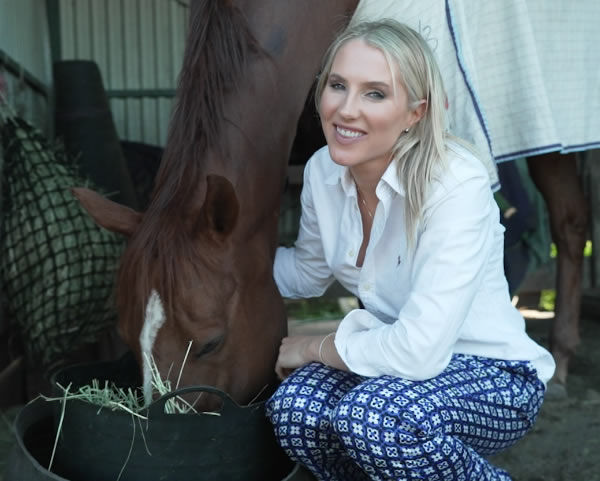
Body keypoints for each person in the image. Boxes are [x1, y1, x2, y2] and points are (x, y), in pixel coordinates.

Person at [266, 19, 555, 481]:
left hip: (495, 375)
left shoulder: (455, 182)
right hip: (394, 370)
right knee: (295, 409)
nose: (346, 110)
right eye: (337, 85)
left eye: (375, 93)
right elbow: (306, 272)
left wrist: (314, 347)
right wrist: (215, 261)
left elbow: (418, 352)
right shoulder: (323, 171)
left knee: (375, 418)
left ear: (415, 113)